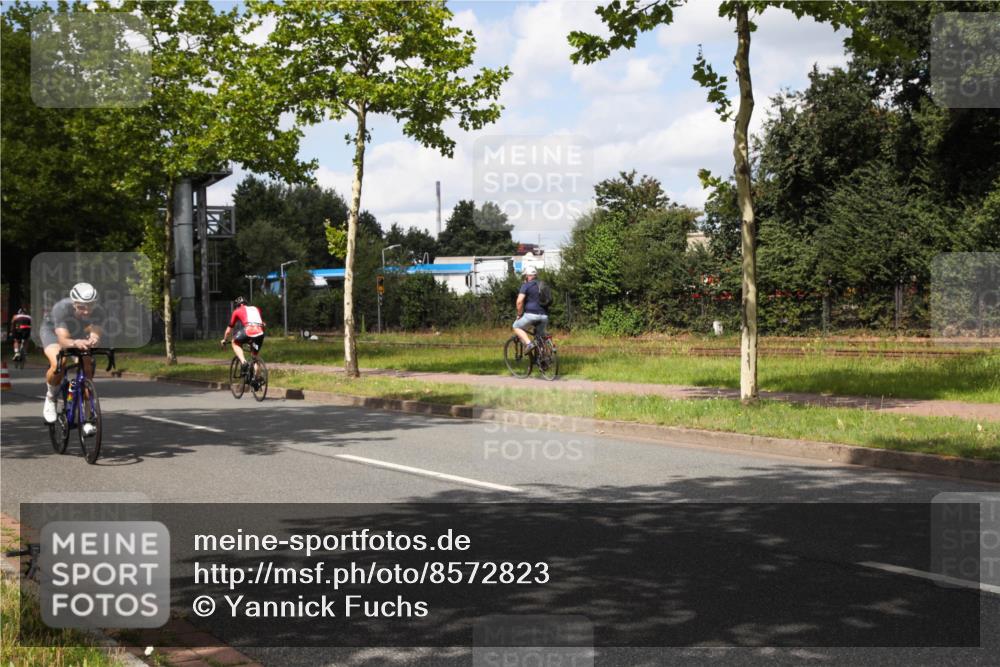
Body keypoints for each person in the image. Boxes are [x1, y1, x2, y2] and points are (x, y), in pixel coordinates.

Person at [41, 283, 105, 430]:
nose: (87, 311)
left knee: (88, 364)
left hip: (77, 332)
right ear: (74, 303)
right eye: (82, 307)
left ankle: (88, 415)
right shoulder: (62, 308)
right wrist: (75, 342)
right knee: (59, 363)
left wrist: (94, 338)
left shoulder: (99, 311)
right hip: (53, 332)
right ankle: (51, 397)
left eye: (90, 305)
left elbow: (95, 332)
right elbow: (63, 339)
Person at [221, 296, 266, 375]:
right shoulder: (256, 308)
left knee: (234, 342)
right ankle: (256, 378)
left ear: (237, 306)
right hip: (260, 333)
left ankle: (243, 362)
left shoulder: (237, 311)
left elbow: (228, 330)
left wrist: (224, 340)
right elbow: (263, 324)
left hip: (249, 330)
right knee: (254, 357)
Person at [513, 265, 548, 351]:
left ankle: (529, 344)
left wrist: (519, 314)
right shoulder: (543, 284)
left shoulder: (526, 285)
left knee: (516, 326)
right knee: (540, 337)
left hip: (531, 315)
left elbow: (519, 302)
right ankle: (544, 355)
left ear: (527, 276)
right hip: (544, 316)